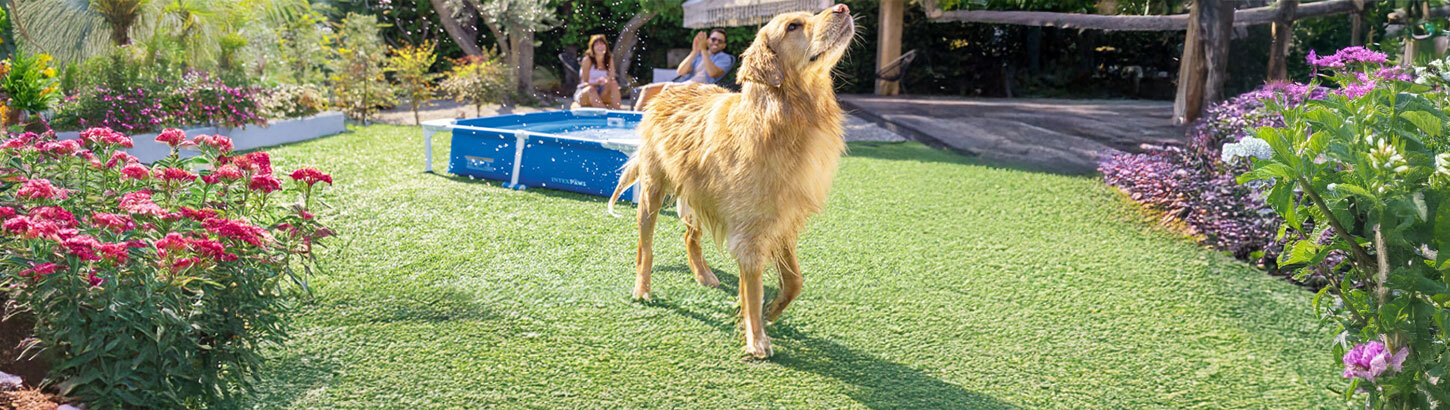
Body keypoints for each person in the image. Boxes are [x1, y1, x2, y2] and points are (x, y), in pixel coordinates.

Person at [632, 29, 735, 111]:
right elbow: (681, 71)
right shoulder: (699, 56)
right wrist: (694, 51)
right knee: (647, 89)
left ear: (724, 45)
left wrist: (703, 50)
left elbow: (713, 73)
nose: (716, 43)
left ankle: (657, 121)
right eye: (713, 39)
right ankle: (634, 121)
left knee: (669, 88)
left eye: (720, 41)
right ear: (708, 40)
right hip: (686, 84)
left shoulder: (725, 58)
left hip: (702, 88)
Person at [576, 34, 622, 109]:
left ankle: (617, 113)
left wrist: (606, 81)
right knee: (591, 89)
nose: (600, 46)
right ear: (592, 48)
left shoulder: (609, 58)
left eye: (602, 44)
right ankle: (604, 115)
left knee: (614, 83)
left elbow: (612, 77)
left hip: (602, 91)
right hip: (586, 92)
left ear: (606, 46)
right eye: (597, 44)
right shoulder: (587, 60)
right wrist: (597, 83)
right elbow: (584, 83)